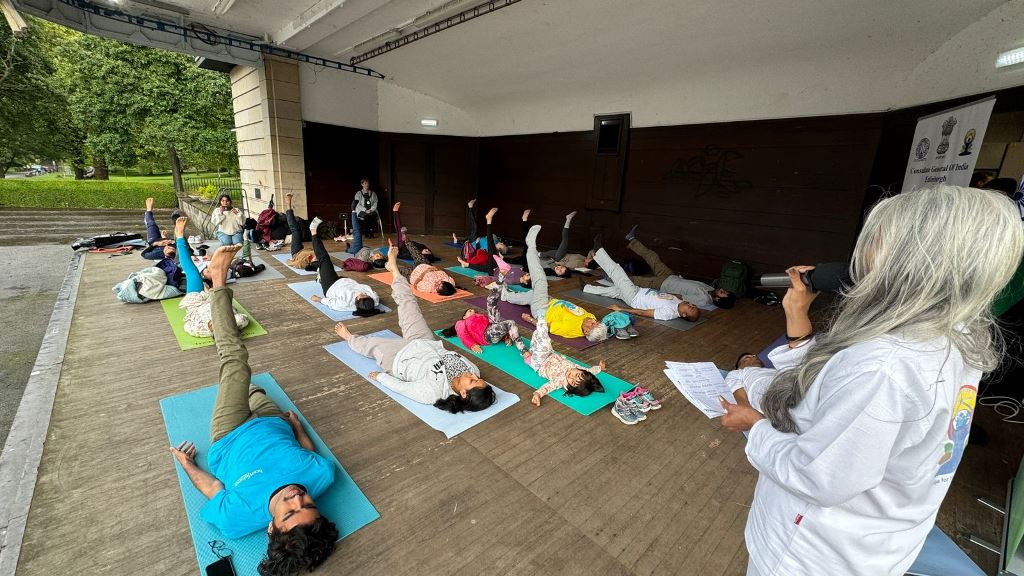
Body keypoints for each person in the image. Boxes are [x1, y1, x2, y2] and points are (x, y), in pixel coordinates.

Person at [717, 185, 1024, 576]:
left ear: (915, 259)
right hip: (876, 544)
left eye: (877, 242)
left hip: (815, 556)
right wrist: (796, 313)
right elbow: (830, 390)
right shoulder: (957, 333)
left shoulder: (886, 364)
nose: (861, 259)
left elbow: (818, 478)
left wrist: (753, 425)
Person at [167, 245, 339, 576]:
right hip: (274, 422)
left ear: (271, 528)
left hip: (229, 433)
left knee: (235, 364)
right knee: (253, 388)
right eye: (308, 505)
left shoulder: (238, 518)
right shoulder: (322, 476)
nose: (297, 497)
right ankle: (223, 333)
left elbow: (213, 488)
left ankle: (217, 281)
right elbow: (309, 454)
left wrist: (187, 463)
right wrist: (297, 427)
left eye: (289, 511)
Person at [335, 239, 497, 413]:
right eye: (476, 378)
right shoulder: (474, 370)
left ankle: (349, 338)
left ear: (463, 394)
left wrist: (381, 377)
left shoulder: (433, 392)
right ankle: (394, 269)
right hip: (424, 342)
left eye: (472, 381)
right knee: (409, 303)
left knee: (371, 344)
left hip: (400, 358)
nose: (473, 375)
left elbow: (404, 389)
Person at [512, 225, 606, 407]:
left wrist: (537, 394)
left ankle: (530, 247)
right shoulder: (589, 317)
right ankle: (506, 294)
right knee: (533, 290)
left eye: (572, 380)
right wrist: (599, 369)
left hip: (540, 355)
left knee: (539, 280)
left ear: (569, 387)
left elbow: (547, 387)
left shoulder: (560, 381)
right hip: (551, 320)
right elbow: (590, 370)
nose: (571, 375)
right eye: (593, 323)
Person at [494, 253, 609, 342]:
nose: (593, 320)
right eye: (596, 321)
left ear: (587, 332)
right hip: (551, 302)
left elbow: (547, 327)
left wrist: (529, 319)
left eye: (593, 324)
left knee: (532, 294)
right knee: (534, 293)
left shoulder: (570, 329)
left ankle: (506, 295)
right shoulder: (590, 317)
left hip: (542, 311)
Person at [172, 217, 251, 338]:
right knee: (220, 286)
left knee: (192, 272)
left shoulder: (199, 330)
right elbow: (243, 319)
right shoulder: (237, 323)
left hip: (196, 303)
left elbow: (187, 326)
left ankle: (179, 237)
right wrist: (230, 321)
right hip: (216, 301)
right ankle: (220, 269)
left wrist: (209, 325)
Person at [621, 226, 735, 308]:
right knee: (653, 256)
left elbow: (679, 297)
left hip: (663, 284)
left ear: (718, 299)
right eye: (724, 290)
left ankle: (610, 276)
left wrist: (659, 295)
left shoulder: (704, 299)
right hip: (670, 276)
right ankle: (632, 240)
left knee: (635, 280)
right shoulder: (710, 290)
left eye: (723, 293)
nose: (722, 289)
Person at [583, 247, 701, 322]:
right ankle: (586, 288)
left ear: (684, 315)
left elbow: (643, 313)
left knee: (617, 272)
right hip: (638, 291)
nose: (691, 305)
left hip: (634, 297)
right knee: (613, 291)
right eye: (693, 305)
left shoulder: (669, 313)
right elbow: (665, 296)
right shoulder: (678, 302)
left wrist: (621, 309)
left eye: (691, 308)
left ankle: (597, 253)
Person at [305, 216, 382, 317]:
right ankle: (316, 267)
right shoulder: (373, 300)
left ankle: (313, 231)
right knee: (324, 264)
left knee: (324, 259)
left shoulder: (345, 303)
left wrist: (318, 299)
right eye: (366, 295)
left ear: (356, 301)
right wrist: (368, 298)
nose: (364, 293)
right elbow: (373, 298)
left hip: (330, 286)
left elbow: (331, 303)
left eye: (362, 295)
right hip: (342, 281)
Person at [440, 268, 521, 353]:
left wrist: (505, 337)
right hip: (486, 336)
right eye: (470, 311)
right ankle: (524, 351)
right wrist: (472, 345)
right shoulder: (461, 322)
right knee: (510, 322)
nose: (473, 311)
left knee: (490, 300)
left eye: (474, 311)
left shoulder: (481, 316)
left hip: (492, 328)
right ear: (464, 317)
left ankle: (502, 275)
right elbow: (462, 334)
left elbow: (496, 325)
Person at [456, 206, 502, 272]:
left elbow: (479, 251)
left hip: (473, 244)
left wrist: (477, 243)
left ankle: (487, 220)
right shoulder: (496, 241)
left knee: (475, 227)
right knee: (475, 229)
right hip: (477, 241)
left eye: (502, 245)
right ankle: (471, 208)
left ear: (500, 249)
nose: (502, 243)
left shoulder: (492, 248)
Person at [284, 194, 317, 271]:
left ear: (311, 262)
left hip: (296, 252)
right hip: (306, 250)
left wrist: (290, 261)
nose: (316, 258)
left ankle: (288, 204)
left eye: (315, 259)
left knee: (295, 231)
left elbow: (291, 263)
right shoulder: (321, 257)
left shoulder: (303, 263)